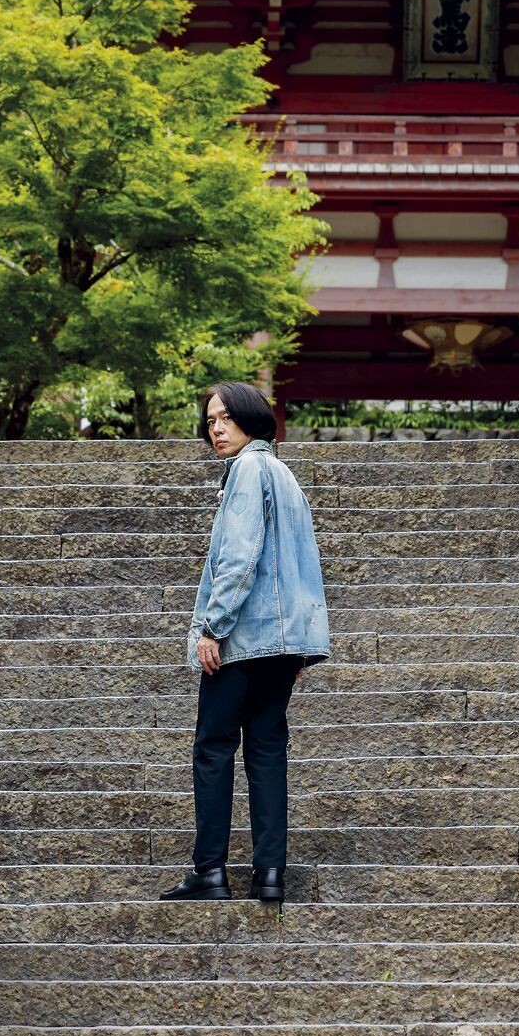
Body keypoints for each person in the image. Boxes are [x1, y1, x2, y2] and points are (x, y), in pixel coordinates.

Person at [160, 381, 330, 905]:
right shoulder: (285, 476)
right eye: (210, 420)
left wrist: (213, 627)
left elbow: (238, 558)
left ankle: (210, 871)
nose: (215, 428)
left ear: (252, 419)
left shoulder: (247, 472)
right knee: (266, 751)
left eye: (225, 418)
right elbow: (304, 567)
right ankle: (269, 874)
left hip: (243, 638)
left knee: (213, 748)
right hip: (282, 645)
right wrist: (300, 645)